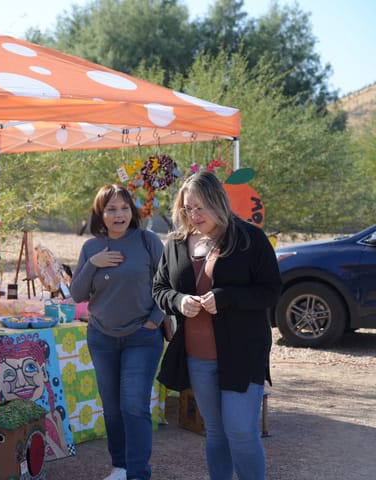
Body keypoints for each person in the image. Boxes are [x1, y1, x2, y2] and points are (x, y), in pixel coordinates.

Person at [152, 171, 281, 480]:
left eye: (200, 208)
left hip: (243, 352)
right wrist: (179, 301)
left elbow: (271, 290)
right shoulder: (176, 244)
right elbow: (159, 289)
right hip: (198, 356)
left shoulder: (249, 238)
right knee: (215, 432)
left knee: (240, 431)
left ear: (217, 202)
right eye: (187, 209)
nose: (193, 216)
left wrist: (227, 297)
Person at [70, 184, 165, 480]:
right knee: (111, 409)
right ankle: (120, 466)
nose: (118, 214)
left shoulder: (147, 241)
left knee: (133, 405)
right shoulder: (91, 247)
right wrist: (92, 265)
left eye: (124, 207)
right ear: (101, 213)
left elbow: (170, 283)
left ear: (132, 210)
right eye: (111, 209)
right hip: (102, 338)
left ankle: (138, 473)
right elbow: (77, 294)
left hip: (142, 337)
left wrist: (156, 319)